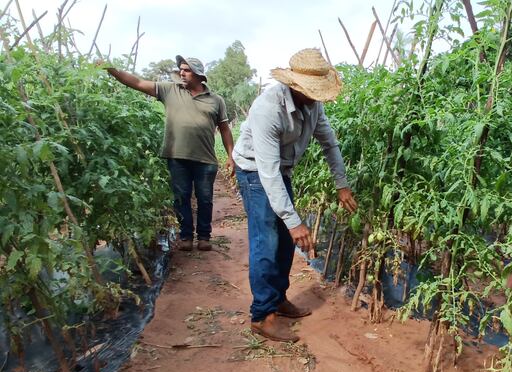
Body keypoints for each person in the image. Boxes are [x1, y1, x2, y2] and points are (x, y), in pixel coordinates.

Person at [232, 48, 357, 342]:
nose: (317, 97)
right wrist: (293, 220)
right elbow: (268, 171)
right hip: (254, 171)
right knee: (267, 240)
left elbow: (330, 144)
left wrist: (342, 184)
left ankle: (278, 299)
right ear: (295, 86)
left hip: (280, 171)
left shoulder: (313, 106)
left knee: (287, 243)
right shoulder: (268, 109)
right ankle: (262, 315)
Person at [101, 56, 235, 252]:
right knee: (181, 198)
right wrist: (111, 69)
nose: (181, 73)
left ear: (198, 74)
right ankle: (186, 237)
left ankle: (204, 236)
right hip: (177, 157)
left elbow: (225, 129)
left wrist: (231, 157)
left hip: (205, 159)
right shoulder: (169, 90)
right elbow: (137, 82)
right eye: (180, 69)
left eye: (186, 70)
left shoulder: (216, 100)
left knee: (205, 199)